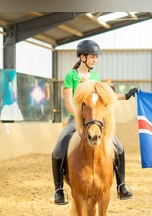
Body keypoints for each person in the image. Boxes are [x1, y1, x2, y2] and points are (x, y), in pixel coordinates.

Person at [51, 39, 138, 205]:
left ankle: (121, 184)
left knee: (118, 147)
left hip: (96, 120)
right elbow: (68, 101)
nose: (95, 60)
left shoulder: (95, 76)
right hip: (75, 119)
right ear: (82, 57)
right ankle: (58, 190)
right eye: (92, 57)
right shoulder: (71, 76)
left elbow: (105, 97)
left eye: (96, 57)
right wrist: (79, 118)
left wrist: (125, 95)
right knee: (58, 148)